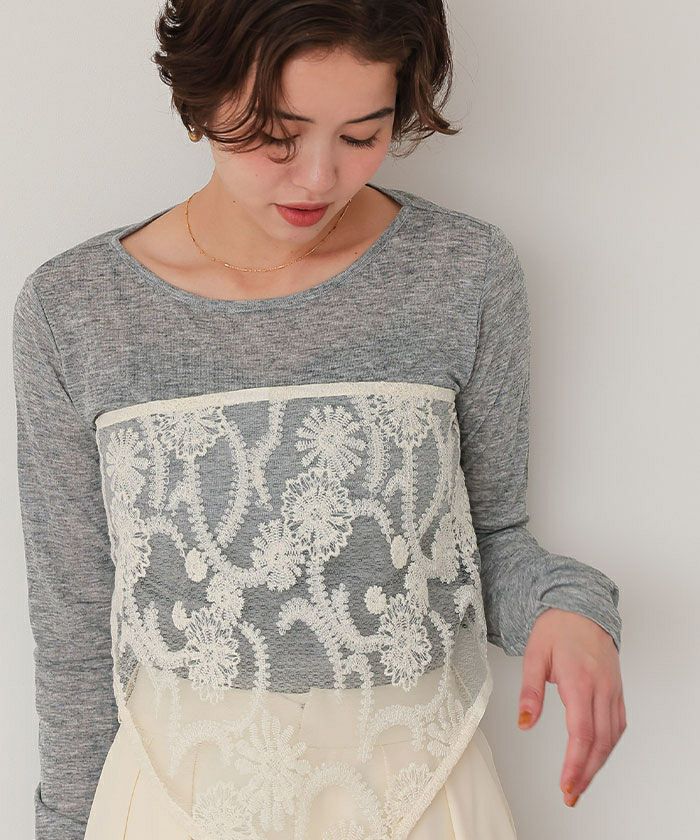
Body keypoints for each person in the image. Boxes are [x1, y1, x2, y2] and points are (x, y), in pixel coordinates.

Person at [12, 2, 626, 838]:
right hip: (171, 803)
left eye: (363, 134)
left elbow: (489, 542)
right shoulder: (75, 311)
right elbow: (76, 631)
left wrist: (571, 608)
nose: (318, 179)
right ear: (202, 95)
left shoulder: (464, 273)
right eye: (277, 135)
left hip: (422, 795)